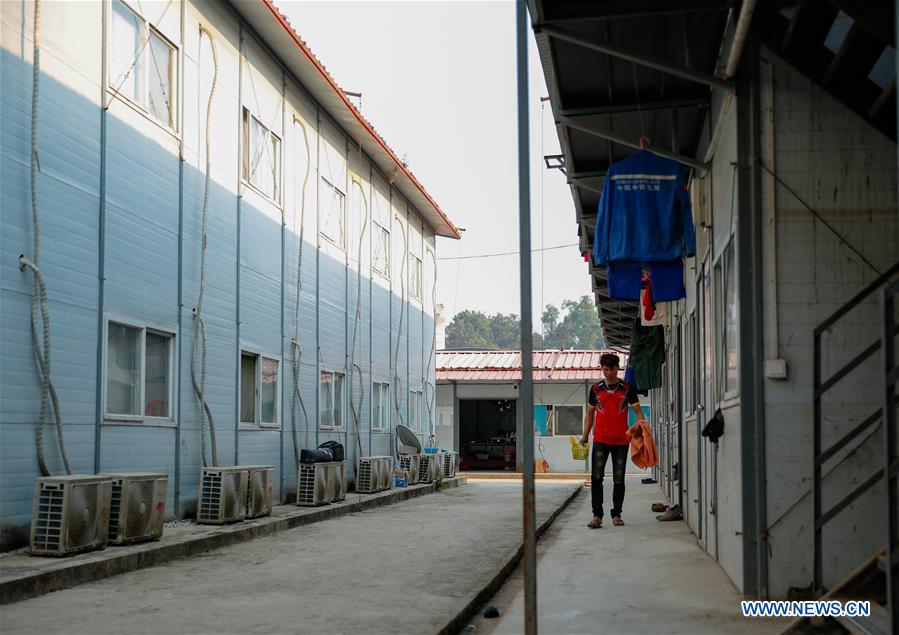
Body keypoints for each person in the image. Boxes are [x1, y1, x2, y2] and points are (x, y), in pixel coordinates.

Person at [580, 353, 647, 528]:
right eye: (604, 369)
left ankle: (617, 514)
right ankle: (597, 516)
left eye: (610, 369)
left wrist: (643, 425)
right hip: (601, 440)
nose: (607, 372)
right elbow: (589, 414)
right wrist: (585, 435)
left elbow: (638, 411)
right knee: (596, 478)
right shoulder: (595, 390)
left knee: (619, 479)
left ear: (618, 368)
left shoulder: (627, 389)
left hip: (621, 441)